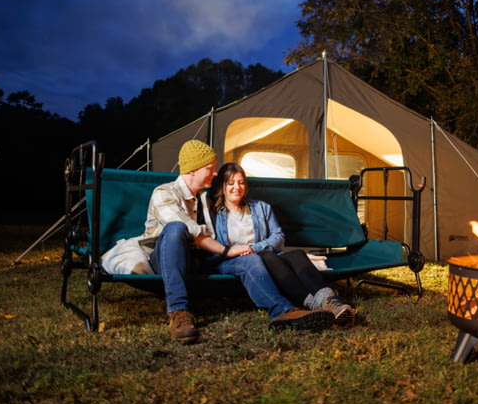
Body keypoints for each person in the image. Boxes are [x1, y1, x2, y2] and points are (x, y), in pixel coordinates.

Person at [139, 140, 333, 344]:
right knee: (177, 228)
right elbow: (192, 231)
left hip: (197, 260)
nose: (214, 174)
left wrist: (239, 250)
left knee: (249, 259)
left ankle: (282, 311)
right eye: (210, 169)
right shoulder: (164, 193)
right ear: (193, 170)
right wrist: (227, 250)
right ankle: (178, 313)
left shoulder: (204, 200)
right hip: (165, 261)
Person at [212, 162, 357, 326]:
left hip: (263, 252)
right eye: (230, 183)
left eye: (241, 182)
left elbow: (278, 236)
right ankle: (315, 305)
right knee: (268, 256)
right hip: (238, 260)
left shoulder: (261, 208)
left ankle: (331, 302)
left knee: (296, 255)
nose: (236, 187)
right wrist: (240, 251)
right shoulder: (214, 214)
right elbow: (214, 245)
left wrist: (254, 248)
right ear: (222, 187)